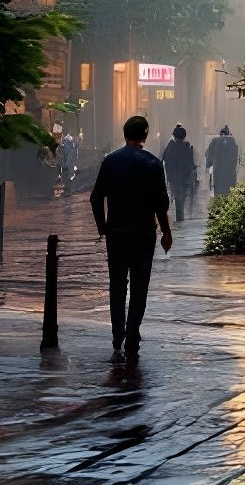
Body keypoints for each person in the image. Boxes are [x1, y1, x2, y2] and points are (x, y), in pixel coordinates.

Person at [90, 115, 172, 361]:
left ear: (125, 134)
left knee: (117, 285)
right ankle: (133, 335)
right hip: (143, 235)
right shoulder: (153, 164)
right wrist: (166, 233)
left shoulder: (111, 162)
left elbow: (96, 197)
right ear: (145, 135)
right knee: (139, 287)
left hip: (116, 234)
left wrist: (102, 227)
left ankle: (117, 334)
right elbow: (161, 205)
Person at [161, 124, 197, 223]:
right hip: (184, 174)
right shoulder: (187, 146)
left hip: (174, 175)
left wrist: (168, 174)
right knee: (181, 195)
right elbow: (191, 161)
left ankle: (180, 216)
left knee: (177, 195)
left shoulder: (171, 145)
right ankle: (180, 216)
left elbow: (165, 159)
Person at [205, 124, 239, 198]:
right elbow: (236, 155)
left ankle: (219, 205)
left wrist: (209, 165)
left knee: (219, 191)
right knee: (229, 192)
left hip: (218, 170)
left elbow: (208, 153)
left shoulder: (215, 141)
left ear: (220, 134)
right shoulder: (233, 141)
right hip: (230, 171)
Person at [59, 130, 78, 195]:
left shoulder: (65, 141)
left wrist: (64, 162)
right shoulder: (71, 141)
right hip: (69, 162)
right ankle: (68, 190)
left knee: (67, 176)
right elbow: (73, 153)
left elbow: (66, 153)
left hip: (67, 162)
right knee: (68, 175)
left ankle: (67, 190)